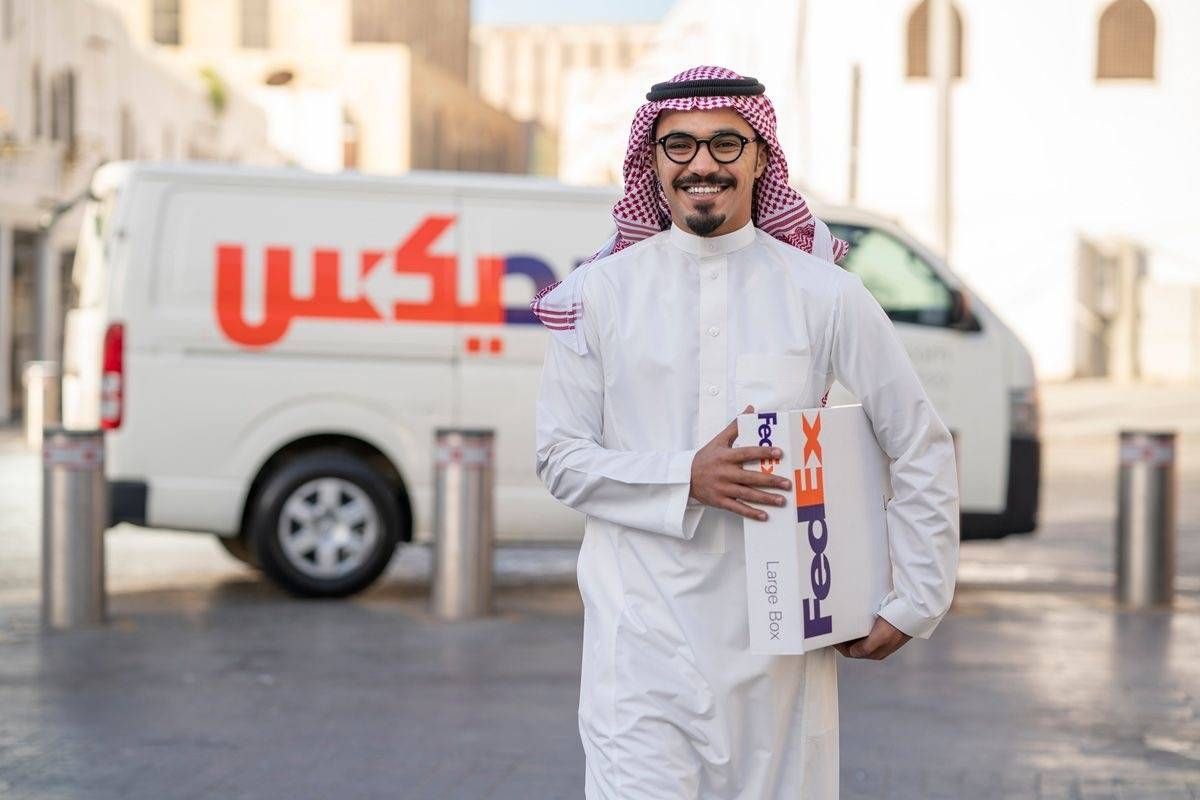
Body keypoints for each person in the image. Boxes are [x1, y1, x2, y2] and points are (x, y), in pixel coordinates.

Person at [532, 65, 959, 799]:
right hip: (639, 653)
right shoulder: (599, 296)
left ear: (761, 157)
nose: (702, 164)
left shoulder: (824, 293)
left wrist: (916, 597)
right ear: (652, 162)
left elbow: (917, 439)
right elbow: (559, 458)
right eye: (680, 146)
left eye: (725, 144)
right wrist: (684, 476)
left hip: (780, 659)